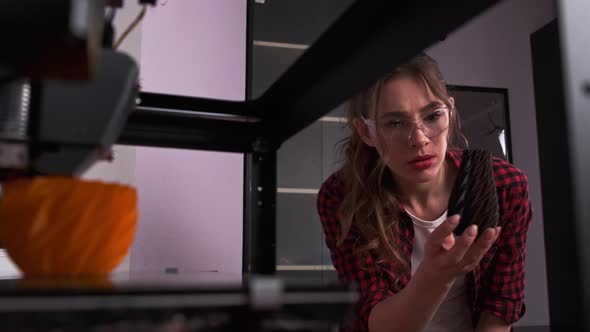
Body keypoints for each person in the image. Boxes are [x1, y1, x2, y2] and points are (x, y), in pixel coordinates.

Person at [317, 53, 532, 332]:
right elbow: (371, 321)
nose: (419, 139)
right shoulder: (342, 196)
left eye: (432, 116)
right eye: (395, 123)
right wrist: (436, 276)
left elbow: (500, 307)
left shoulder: (505, 185)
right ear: (366, 132)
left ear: (450, 112)